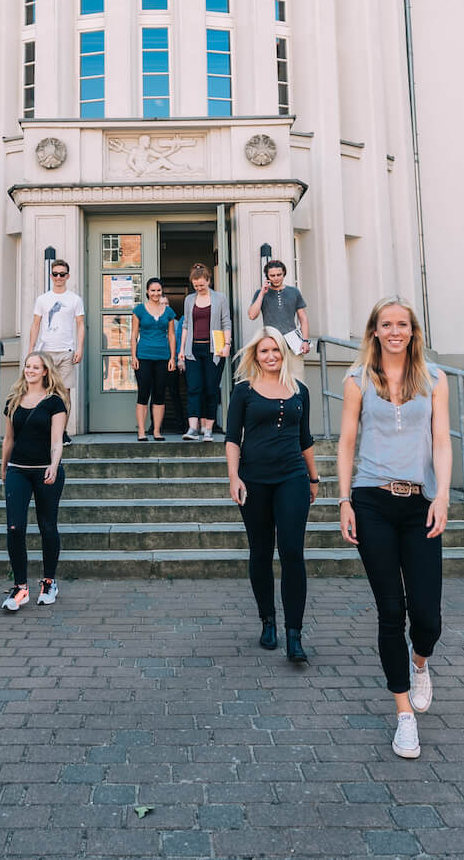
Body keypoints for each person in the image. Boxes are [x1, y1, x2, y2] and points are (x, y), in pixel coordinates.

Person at [336, 296, 452, 760]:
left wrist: (442, 493)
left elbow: (441, 440)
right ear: (375, 330)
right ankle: (404, 714)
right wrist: (343, 499)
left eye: (403, 324)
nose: (395, 331)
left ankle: (420, 662)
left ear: (412, 330)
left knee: (427, 616)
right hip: (372, 500)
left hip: (420, 501)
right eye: (387, 324)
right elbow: (347, 442)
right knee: (391, 610)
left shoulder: (435, 379)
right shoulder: (356, 379)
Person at [223, 327, 319, 664]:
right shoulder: (243, 392)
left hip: (292, 476)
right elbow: (233, 437)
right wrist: (234, 477)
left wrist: (314, 476)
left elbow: (305, 438)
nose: (271, 356)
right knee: (261, 552)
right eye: (264, 351)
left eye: (275, 351)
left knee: (292, 551)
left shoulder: (299, 391)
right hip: (254, 480)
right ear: (255, 355)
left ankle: (295, 633)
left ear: (284, 353)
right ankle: (268, 621)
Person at [0, 352, 69, 611]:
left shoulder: (55, 402)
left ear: (45, 372)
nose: (29, 370)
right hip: (18, 470)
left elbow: (56, 440)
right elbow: (9, 439)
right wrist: (3, 466)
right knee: (15, 528)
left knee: (47, 526)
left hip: (45, 471)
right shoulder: (14, 400)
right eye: (27, 365)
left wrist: (54, 464)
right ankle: (20, 588)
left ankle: (49, 582)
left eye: (35, 367)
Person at [28, 260, 85, 438]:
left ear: (67, 276)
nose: (58, 277)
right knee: (43, 392)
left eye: (62, 274)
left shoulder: (75, 299)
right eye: (55, 274)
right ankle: (45, 430)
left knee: (65, 393)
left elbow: (81, 324)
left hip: (66, 351)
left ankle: (62, 432)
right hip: (45, 352)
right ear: (51, 276)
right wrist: (31, 350)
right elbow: (35, 324)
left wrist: (79, 348)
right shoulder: (42, 299)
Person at [177, 263, 230, 440]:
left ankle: (207, 429)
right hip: (193, 349)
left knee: (211, 389)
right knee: (194, 388)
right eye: (195, 285)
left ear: (208, 280)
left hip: (213, 350)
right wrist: (181, 350)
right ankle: (192, 429)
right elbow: (185, 325)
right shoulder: (189, 300)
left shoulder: (220, 298)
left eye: (201, 284)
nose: (199, 288)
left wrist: (227, 344)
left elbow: (226, 323)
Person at [130, 277, 180, 442]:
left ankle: (157, 431)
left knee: (159, 395)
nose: (156, 293)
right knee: (143, 394)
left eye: (158, 290)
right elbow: (133, 335)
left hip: (163, 357)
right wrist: (133, 356)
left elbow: (172, 336)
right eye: (152, 290)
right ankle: (142, 432)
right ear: (147, 291)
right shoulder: (139, 310)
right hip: (143, 357)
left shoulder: (168, 312)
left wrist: (172, 357)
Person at [247, 258, 310, 355]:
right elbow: (252, 316)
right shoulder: (260, 293)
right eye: (272, 275)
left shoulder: (294, 292)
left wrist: (305, 341)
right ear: (267, 276)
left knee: (295, 370)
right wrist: (262, 294)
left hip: (292, 344)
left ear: (284, 273)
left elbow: (303, 318)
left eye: (279, 275)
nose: (276, 278)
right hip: (271, 344)